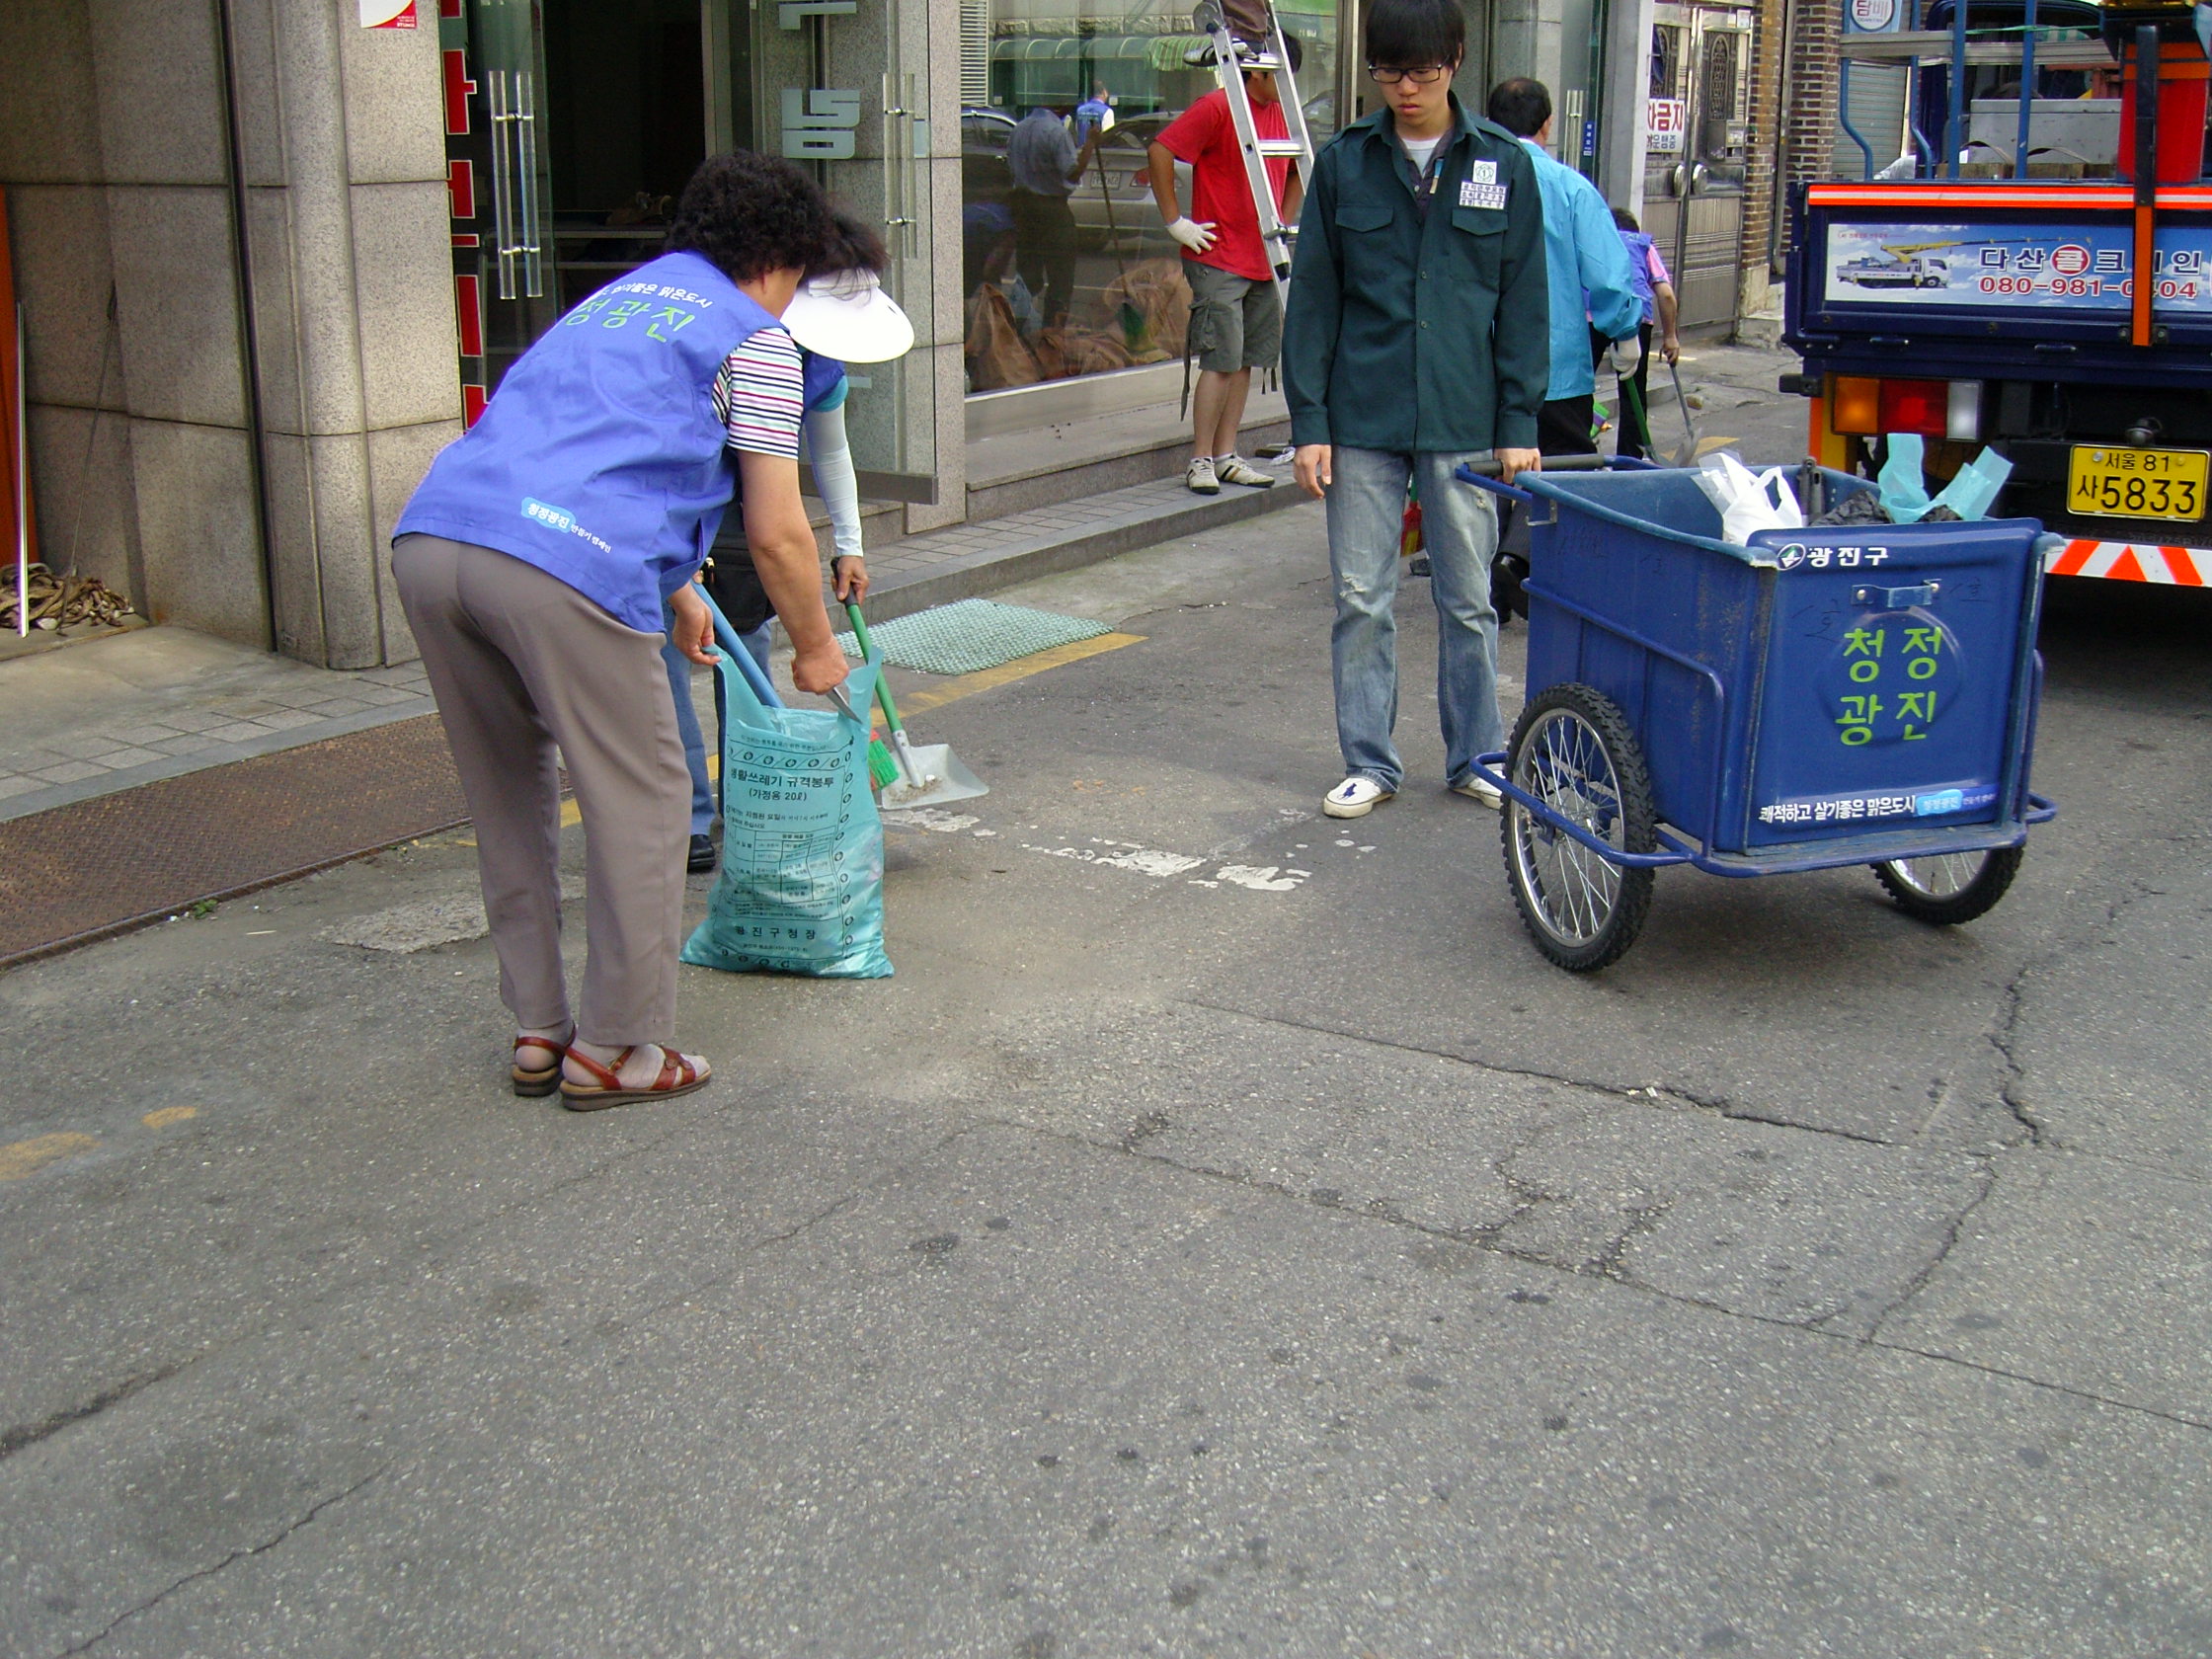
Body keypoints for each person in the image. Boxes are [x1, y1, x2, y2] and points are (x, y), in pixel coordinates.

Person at [390, 152, 848, 1111]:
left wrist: (680, 591)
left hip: (436, 538)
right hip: (563, 560)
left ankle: (537, 1031)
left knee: (506, 798)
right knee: (644, 798)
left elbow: (607, 449)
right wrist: (813, 644)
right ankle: (619, 1050)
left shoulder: (614, 302)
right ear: (783, 261)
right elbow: (774, 528)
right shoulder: (756, 341)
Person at [1282, 0, 1548, 821]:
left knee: (1468, 598)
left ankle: (1477, 753)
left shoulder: (1503, 164)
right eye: (1390, 72)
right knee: (1362, 599)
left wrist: (1520, 426)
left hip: (1465, 417)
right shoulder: (1346, 163)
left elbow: (1524, 304)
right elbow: (1315, 302)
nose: (1406, 88)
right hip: (1361, 414)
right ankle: (1370, 760)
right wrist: (1309, 424)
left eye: (1423, 71)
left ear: (1457, 61)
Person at [675, 213, 909, 868]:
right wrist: (815, 645)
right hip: (684, 525)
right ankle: (686, 817)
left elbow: (831, 455)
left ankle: (747, 802)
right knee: (672, 673)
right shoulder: (724, 341)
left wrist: (851, 543)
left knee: (744, 670)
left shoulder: (819, 364)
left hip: (753, 530)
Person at [1148, 34, 1305, 496]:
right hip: (1218, 255)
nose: (1281, 84)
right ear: (1253, 70)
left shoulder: (1282, 113)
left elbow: (1294, 171)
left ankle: (1226, 454)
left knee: (1245, 362)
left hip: (1262, 256)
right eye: (1274, 75)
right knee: (1220, 360)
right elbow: (1161, 150)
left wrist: (1282, 222)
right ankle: (1200, 458)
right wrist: (1175, 221)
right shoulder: (1218, 107)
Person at [1482, 78, 1641, 458]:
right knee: (1560, 492)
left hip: (1478, 375)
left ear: (1489, 122)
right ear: (1548, 123)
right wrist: (1624, 329)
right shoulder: (1572, 189)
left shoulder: (1471, 184)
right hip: (1557, 373)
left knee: (1478, 494)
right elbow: (1606, 275)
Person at [1599, 205, 1681, 461]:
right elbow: (1666, 295)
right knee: (1633, 391)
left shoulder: (1596, 241)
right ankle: (1630, 459)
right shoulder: (1643, 246)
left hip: (1594, 315)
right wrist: (1670, 337)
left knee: (1578, 386)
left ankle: (1578, 453)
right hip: (1635, 317)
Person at [1006, 105, 1099, 331]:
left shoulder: (1018, 129)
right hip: (1051, 209)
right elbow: (1072, 172)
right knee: (1061, 277)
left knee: (1028, 273)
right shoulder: (1056, 132)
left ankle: (1020, 326)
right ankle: (1052, 333)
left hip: (1024, 207)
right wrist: (1090, 145)